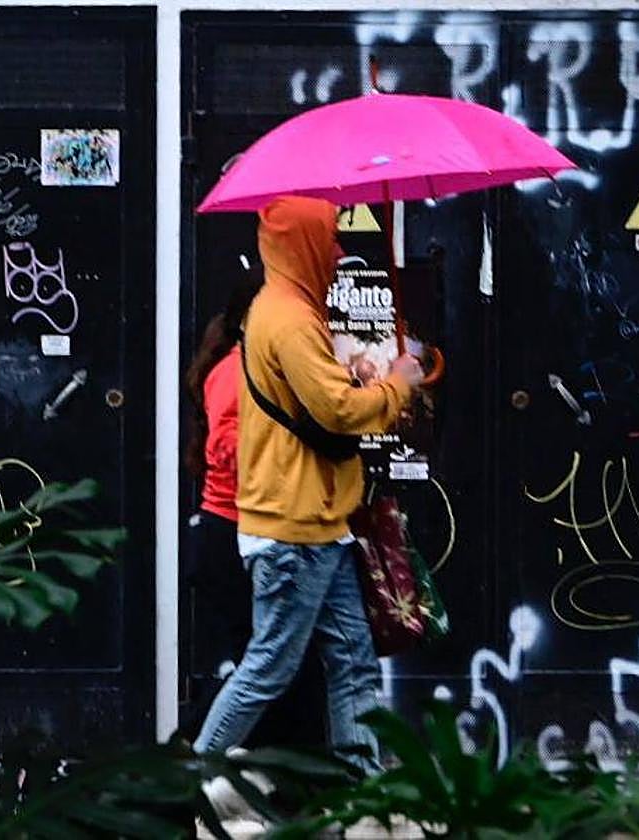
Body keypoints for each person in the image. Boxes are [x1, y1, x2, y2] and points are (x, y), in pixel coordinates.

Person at [193, 197, 424, 776]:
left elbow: (315, 398)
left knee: (354, 660)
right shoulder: (291, 318)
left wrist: (354, 376)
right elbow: (339, 412)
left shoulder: (285, 309)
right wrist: (397, 384)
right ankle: (189, 779)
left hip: (318, 523)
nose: (340, 250)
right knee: (269, 667)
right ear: (304, 243)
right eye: (329, 238)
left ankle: (363, 786)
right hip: (295, 529)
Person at [183, 272, 261, 725]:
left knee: (259, 660)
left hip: (235, 529)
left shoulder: (245, 366)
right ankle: (194, 756)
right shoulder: (235, 370)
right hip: (230, 531)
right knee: (258, 664)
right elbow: (224, 447)